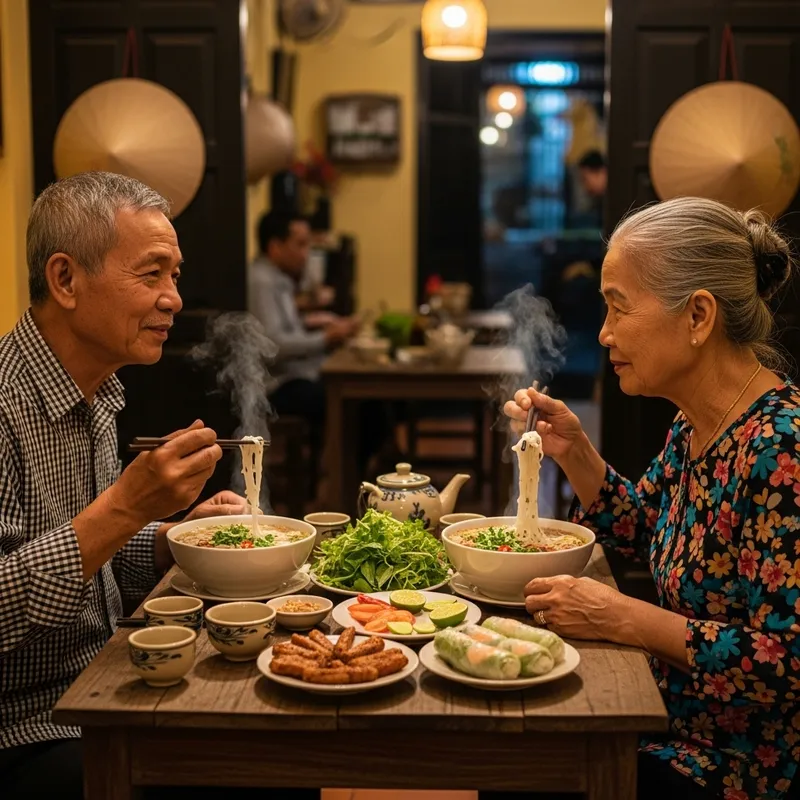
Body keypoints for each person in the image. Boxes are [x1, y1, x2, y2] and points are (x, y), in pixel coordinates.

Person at [0, 172, 314, 800]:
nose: (173, 297)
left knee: (291, 739)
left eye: (174, 274)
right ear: (65, 280)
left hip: (110, 676)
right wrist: (124, 507)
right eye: (151, 274)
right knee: (276, 773)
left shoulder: (99, 392)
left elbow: (90, 557)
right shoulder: (5, 406)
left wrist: (172, 539)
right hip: (32, 728)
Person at [502, 197, 800, 800]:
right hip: (666, 716)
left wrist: (622, 617)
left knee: (516, 767)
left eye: (618, 307)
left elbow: (784, 662)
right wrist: (575, 451)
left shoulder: (782, 449)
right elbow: (642, 528)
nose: (605, 332)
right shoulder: (699, 425)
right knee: (506, 743)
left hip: (734, 764)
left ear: (697, 316)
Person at [248, 211, 389, 491]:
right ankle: (348, 485)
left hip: (294, 376)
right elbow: (273, 346)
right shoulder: (261, 280)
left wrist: (312, 323)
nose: (306, 253)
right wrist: (327, 337)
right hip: (276, 386)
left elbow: (282, 328)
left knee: (370, 399)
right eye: (300, 244)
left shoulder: (276, 277)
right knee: (358, 402)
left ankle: (354, 479)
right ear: (275, 246)